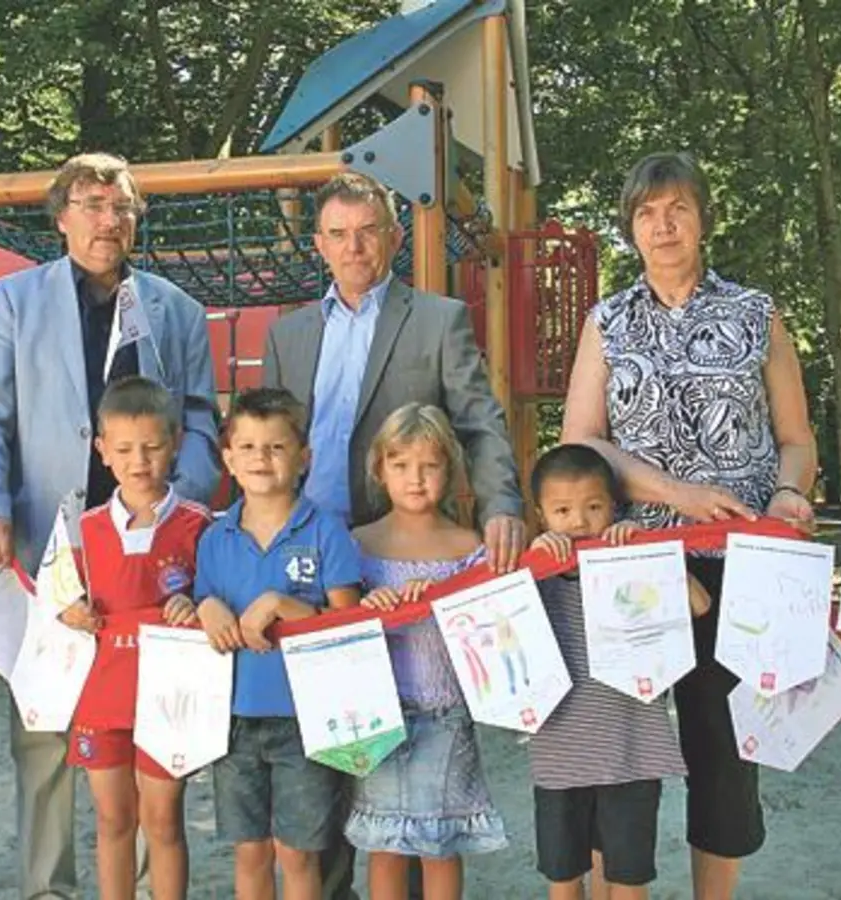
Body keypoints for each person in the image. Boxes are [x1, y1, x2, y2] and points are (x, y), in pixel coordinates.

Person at [0, 151, 220, 900]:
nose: (109, 220)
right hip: (52, 539)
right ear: (62, 215)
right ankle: (48, 885)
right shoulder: (16, 299)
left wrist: (184, 509)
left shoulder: (177, 309)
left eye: (123, 207)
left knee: (148, 721)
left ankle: (142, 884)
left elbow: (201, 417)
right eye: (93, 204)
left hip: (151, 551)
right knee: (43, 725)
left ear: (137, 220)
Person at [559, 152, 818, 900]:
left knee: (724, 745)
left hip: (740, 560)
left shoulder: (755, 313)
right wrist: (677, 491)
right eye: (646, 212)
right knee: (623, 747)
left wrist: (788, 497)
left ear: (703, 217)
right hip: (629, 557)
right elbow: (581, 446)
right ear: (629, 229)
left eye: (677, 208)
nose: (663, 225)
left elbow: (795, 440)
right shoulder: (605, 322)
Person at [262, 171, 526, 899]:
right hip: (309, 558)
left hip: (390, 551)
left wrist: (502, 502)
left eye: (369, 230)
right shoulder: (286, 335)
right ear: (318, 245)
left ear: (394, 238)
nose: (355, 247)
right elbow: (265, 445)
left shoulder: (437, 319)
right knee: (330, 740)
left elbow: (478, 421)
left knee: (397, 726)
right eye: (339, 234)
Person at [193, 387, 362, 900]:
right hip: (235, 719)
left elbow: (349, 624)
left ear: (304, 457)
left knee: (298, 853)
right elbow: (202, 603)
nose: (261, 459)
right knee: (250, 852)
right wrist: (205, 606)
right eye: (247, 447)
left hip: (305, 719)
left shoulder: (326, 531)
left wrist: (286, 606)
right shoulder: (214, 538)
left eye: (276, 447)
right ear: (228, 459)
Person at [526, 444, 712, 900]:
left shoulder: (635, 563)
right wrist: (532, 562)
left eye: (593, 507)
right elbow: (497, 629)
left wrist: (650, 555)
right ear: (540, 514)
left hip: (633, 751)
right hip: (560, 756)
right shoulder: (536, 579)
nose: (578, 522)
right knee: (564, 877)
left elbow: (700, 605)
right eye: (562, 510)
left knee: (628, 878)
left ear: (614, 506)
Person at [56, 376, 213, 900]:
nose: (138, 460)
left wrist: (198, 604)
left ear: (175, 443)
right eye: (124, 449)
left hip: (172, 695)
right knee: (112, 818)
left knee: (163, 820)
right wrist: (69, 612)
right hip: (103, 694)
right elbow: (57, 600)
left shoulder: (199, 525)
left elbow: (218, 598)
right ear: (102, 451)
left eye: (151, 447)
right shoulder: (86, 526)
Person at [350, 403, 507, 900]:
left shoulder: (471, 548)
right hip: (378, 719)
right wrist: (365, 606)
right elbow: (333, 625)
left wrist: (447, 601)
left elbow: (492, 632)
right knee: (385, 843)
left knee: (442, 843)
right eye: (400, 465)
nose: (415, 479)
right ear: (380, 469)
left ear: (450, 470)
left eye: (429, 465)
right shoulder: (356, 545)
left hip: (447, 714)